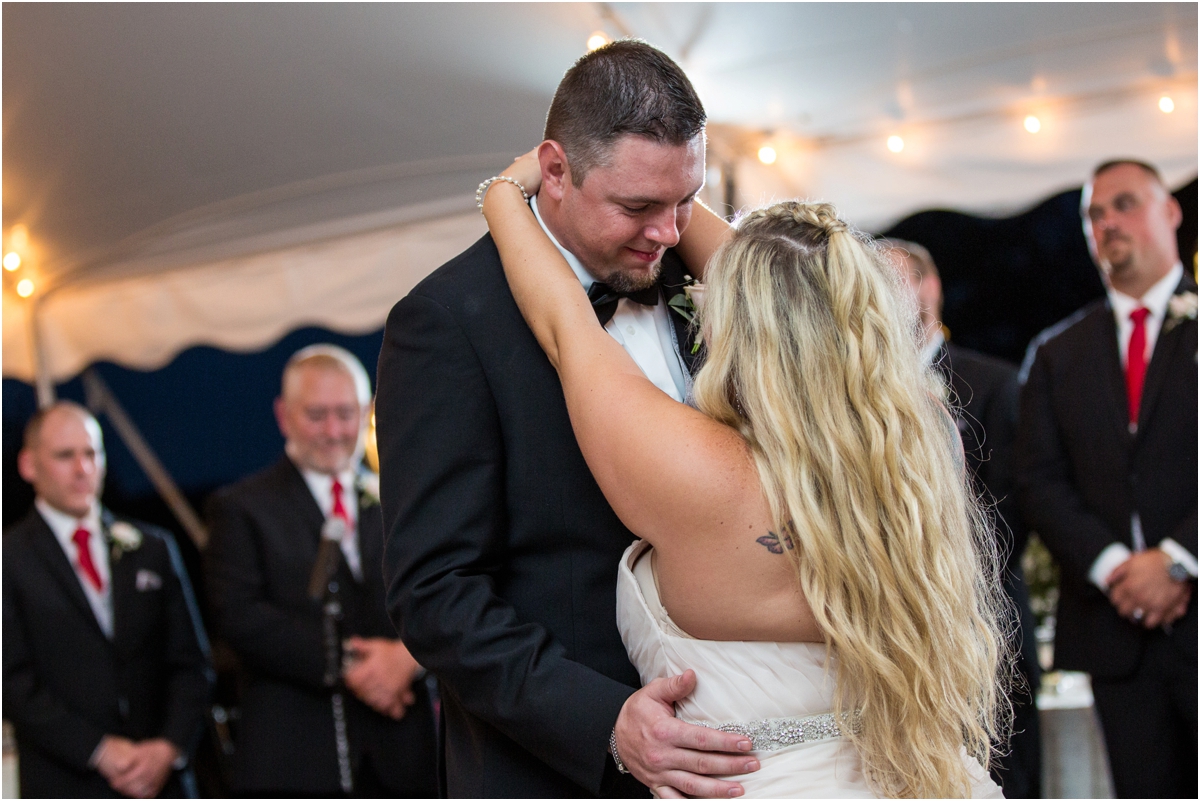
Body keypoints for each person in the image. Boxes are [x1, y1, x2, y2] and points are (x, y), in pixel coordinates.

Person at [479, 148, 1009, 797]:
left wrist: (506, 192)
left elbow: (565, 322)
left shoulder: (697, 468)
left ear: (736, 319)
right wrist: (679, 186)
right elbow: (802, 285)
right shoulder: (924, 443)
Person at [376, 40, 760, 798]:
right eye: (637, 207)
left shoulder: (717, 281)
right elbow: (435, 591)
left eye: (686, 199)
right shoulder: (447, 321)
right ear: (554, 170)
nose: (667, 232)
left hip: (739, 749)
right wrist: (605, 719)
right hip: (557, 771)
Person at [1016, 159, 1196, 798]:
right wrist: (1118, 567)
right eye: (1094, 214)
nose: (1107, 223)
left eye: (1124, 204)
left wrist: (1177, 559)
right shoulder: (1056, 354)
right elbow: (1038, 480)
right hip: (1115, 634)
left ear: (1170, 211)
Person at [204, 345, 437, 796]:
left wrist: (408, 661)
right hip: (298, 756)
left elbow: (437, 591)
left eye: (345, 414)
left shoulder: (400, 499)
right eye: (316, 415)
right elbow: (239, 616)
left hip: (406, 753)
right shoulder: (242, 508)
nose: (333, 431)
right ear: (283, 414)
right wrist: (349, 665)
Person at [886, 239, 1042, 798]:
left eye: (891, 279)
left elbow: (1012, 506)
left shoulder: (996, 383)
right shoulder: (857, 393)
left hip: (986, 625)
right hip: (891, 639)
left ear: (930, 290)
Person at [3, 401, 212, 798]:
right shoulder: (9, 561)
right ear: (29, 465)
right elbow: (11, 680)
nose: (83, 469)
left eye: (91, 453)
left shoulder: (152, 547)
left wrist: (167, 748)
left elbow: (192, 662)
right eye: (66, 456)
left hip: (162, 782)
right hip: (67, 782)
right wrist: (97, 750)